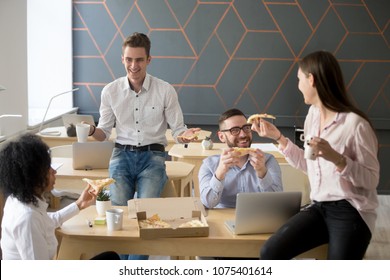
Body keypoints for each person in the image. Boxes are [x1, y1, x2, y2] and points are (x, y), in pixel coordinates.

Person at [255, 51, 380, 260]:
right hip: (319, 207)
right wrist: (278, 137)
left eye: (299, 79)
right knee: (270, 252)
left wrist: (337, 158)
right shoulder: (312, 116)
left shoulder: (355, 124)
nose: (298, 85)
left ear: (311, 79)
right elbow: (308, 164)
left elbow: (371, 180)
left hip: (352, 210)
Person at [88, 32, 199, 260]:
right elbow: (103, 133)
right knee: (117, 216)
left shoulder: (165, 90)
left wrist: (184, 136)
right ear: (122, 59)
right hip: (121, 155)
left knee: (145, 218)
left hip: (153, 158)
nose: (133, 65)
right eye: (129, 59)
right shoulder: (110, 91)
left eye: (139, 60)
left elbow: (178, 131)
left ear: (149, 60)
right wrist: (90, 131)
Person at [0, 133, 120, 260]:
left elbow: (48, 222)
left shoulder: (17, 199)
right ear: (32, 176)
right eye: (48, 168)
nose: (54, 171)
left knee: (110, 257)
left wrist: (79, 204)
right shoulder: (27, 218)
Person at [199, 108, 283, 209]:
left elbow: (277, 203)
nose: (243, 134)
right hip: (222, 221)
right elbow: (208, 203)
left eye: (246, 128)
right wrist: (220, 173)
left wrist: (262, 172)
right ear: (221, 136)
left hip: (259, 219)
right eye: (235, 130)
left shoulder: (268, 160)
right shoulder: (209, 165)